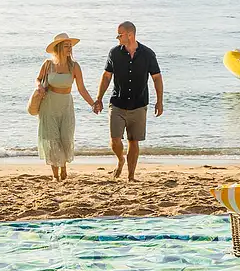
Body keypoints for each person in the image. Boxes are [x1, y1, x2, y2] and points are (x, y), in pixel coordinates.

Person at [92, 21, 163, 181]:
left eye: (120, 34)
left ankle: (131, 177)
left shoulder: (148, 54)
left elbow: (157, 78)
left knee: (133, 141)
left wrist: (159, 101)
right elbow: (106, 76)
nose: (117, 38)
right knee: (115, 140)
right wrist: (99, 98)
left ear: (130, 34)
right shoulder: (114, 53)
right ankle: (120, 159)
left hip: (139, 105)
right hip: (117, 103)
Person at [36, 33, 95, 181]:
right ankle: (56, 176)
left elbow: (81, 88)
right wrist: (39, 87)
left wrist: (93, 104)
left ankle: (64, 168)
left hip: (66, 105)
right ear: (58, 48)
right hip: (49, 105)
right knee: (52, 139)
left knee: (65, 138)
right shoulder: (48, 64)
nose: (69, 48)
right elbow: (38, 79)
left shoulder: (74, 66)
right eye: (66, 46)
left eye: (70, 46)